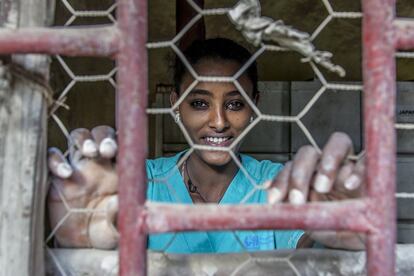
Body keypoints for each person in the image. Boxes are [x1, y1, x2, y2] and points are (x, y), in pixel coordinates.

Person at [47, 38, 365, 253]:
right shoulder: (135, 183)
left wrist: (344, 228)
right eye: (199, 103)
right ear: (175, 105)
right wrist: (78, 244)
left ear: (254, 107)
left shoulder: (277, 186)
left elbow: (305, 245)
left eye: (235, 104)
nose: (218, 122)